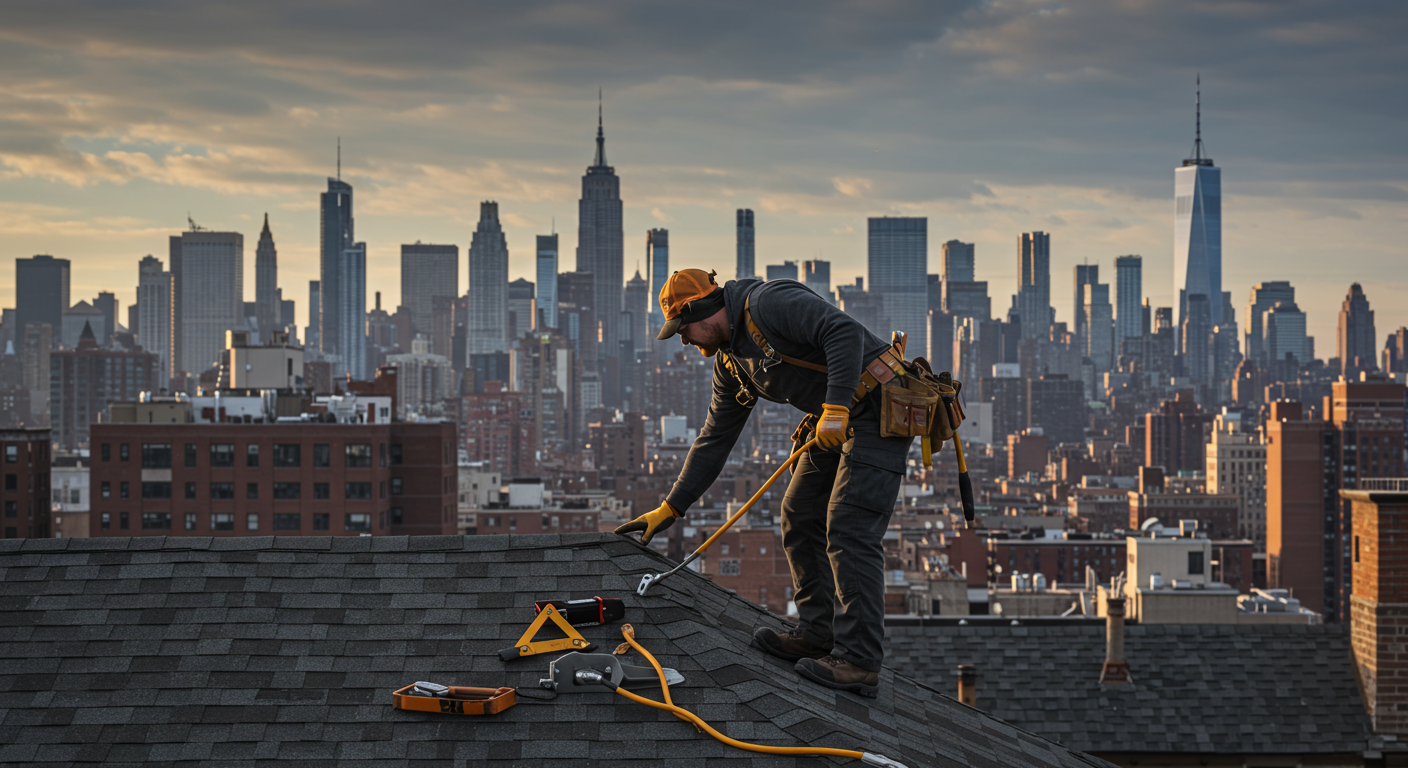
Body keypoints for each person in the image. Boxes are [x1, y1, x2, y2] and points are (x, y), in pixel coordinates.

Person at [615, 267, 913, 698]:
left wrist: (834, 408)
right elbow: (715, 438)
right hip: (837, 417)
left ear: (703, 309)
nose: (683, 339)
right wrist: (671, 507)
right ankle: (817, 633)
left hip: (878, 406)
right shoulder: (733, 363)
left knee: (849, 527)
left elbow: (843, 332)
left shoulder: (768, 304)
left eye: (685, 328)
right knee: (799, 513)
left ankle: (858, 661)